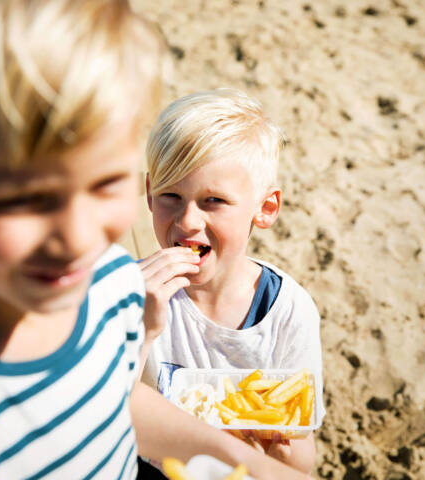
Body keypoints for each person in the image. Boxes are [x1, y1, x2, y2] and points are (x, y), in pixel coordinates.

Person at [0, 3, 309, 479]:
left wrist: (245, 461)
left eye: (105, 183)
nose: (76, 239)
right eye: (25, 199)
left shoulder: (111, 282)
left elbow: (112, 401)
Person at [139, 89, 324, 474]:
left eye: (213, 201)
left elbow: (302, 463)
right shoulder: (134, 291)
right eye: (170, 194)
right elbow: (101, 410)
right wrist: (142, 328)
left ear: (265, 208)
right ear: (149, 194)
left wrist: (274, 446)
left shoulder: (288, 312)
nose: (188, 221)